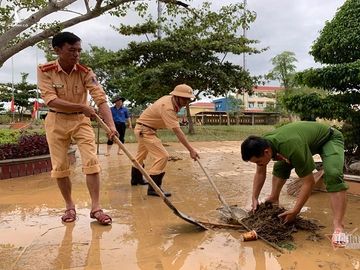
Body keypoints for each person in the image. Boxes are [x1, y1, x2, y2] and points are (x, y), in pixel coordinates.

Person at [37, 32, 117, 225]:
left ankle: (96, 208)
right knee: (60, 167)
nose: (76, 54)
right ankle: (69, 207)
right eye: (71, 50)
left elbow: (100, 99)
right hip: (56, 121)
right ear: (57, 50)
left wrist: (111, 126)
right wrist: (82, 106)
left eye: (79, 50)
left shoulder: (85, 72)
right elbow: (51, 100)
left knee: (91, 161)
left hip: (81, 121)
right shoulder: (45, 70)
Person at [241, 121, 348, 246]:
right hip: (303, 142)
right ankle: (274, 197)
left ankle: (338, 226)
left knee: (333, 174)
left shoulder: (291, 147)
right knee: (280, 167)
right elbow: (260, 173)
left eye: (258, 161)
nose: (258, 165)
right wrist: (254, 197)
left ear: (266, 152)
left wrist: (295, 211)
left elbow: (309, 182)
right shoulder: (263, 144)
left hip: (329, 138)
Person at [131, 84, 200, 196]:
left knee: (140, 155)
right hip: (145, 130)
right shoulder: (168, 107)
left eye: (188, 99)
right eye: (184, 98)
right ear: (176, 96)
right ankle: (154, 189)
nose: (186, 101)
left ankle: (136, 179)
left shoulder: (169, 100)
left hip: (143, 128)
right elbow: (177, 131)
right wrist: (191, 150)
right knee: (162, 156)